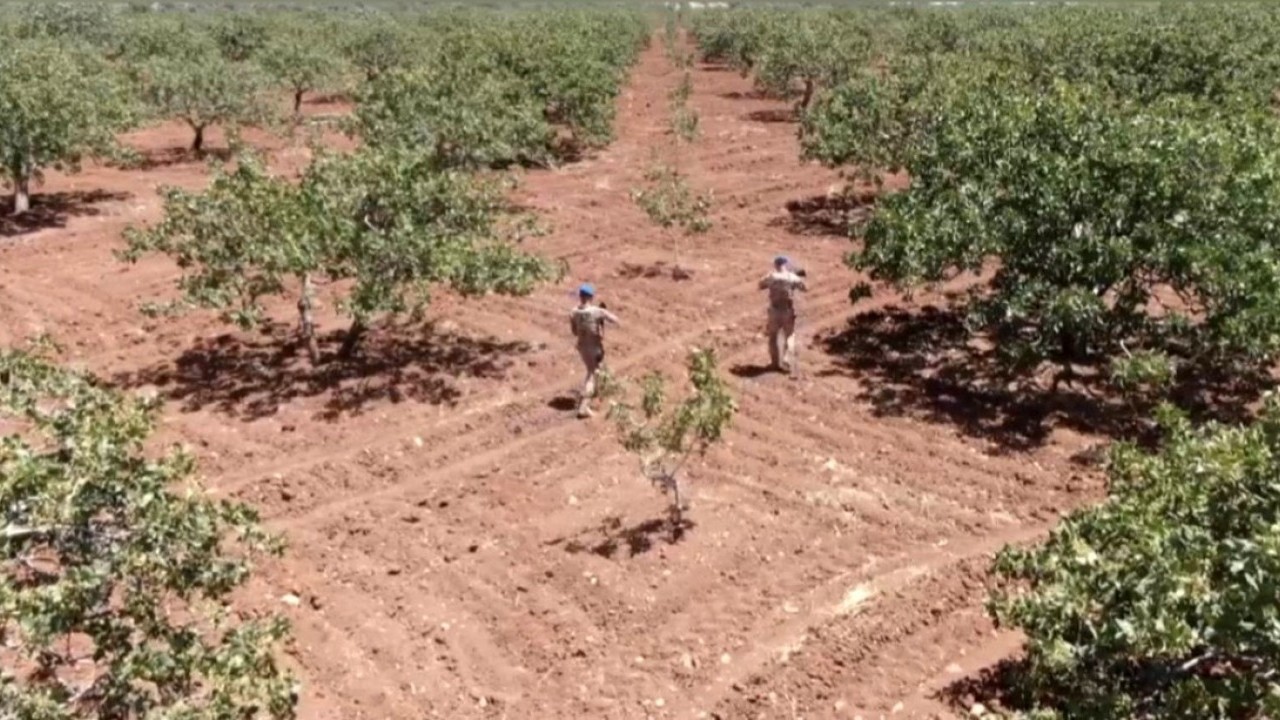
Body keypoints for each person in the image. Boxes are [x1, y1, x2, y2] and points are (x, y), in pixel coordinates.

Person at [569, 283, 620, 418]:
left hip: (582, 347)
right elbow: (616, 320)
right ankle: (584, 407)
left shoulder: (573, 312)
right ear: (591, 297)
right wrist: (602, 318)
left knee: (594, 370)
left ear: (580, 296)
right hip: (594, 347)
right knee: (592, 374)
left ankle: (591, 394)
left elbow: (574, 332)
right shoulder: (597, 311)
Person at [758, 255, 807, 373]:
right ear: (786, 265)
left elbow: (760, 285)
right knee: (789, 336)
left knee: (773, 337)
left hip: (774, 311)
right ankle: (787, 359)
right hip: (787, 311)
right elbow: (805, 288)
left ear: (776, 265)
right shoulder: (792, 277)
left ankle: (774, 363)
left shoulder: (771, 276)